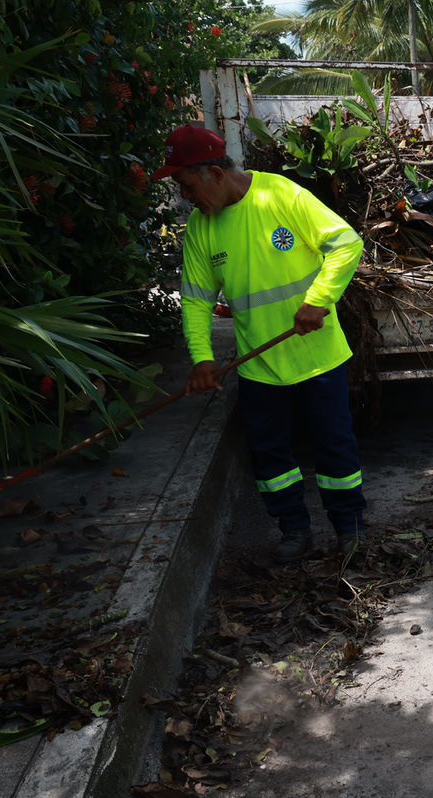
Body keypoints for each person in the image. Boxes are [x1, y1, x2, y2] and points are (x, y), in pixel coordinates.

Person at [151, 125, 367, 563]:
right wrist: (202, 358)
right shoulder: (201, 228)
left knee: (335, 448)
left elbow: (346, 243)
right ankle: (294, 532)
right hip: (260, 368)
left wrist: (318, 300)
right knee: (271, 457)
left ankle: (350, 531)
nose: (185, 197)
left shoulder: (281, 195)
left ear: (214, 172)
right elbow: (195, 301)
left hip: (317, 358)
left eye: (187, 185)